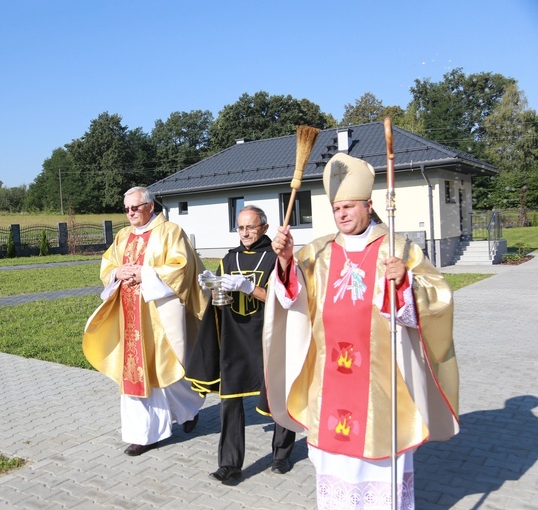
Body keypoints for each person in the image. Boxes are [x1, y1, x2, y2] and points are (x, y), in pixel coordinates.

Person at [264, 152, 459, 509]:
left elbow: (438, 297)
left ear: (368, 206)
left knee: (380, 460)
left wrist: (405, 283)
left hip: (382, 380)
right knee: (334, 463)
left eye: (350, 207)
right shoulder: (318, 250)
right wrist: (286, 261)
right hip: (328, 378)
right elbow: (293, 301)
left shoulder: (397, 247)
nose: (343, 215)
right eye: (337, 209)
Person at [83, 186, 208, 456]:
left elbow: (182, 267)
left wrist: (145, 274)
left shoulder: (170, 232)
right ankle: (144, 434)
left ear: (150, 206)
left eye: (135, 208)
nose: (130, 213)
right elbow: (108, 264)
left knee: (167, 370)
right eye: (126, 209)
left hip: (158, 314)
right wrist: (118, 271)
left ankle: (189, 408)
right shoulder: (122, 235)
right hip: (128, 316)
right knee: (134, 375)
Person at [187, 205, 296, 482]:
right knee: (230, 400)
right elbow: (220, 299)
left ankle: (281, 454)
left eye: (251, 227)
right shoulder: (229, 258)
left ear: (265, 228)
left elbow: (284, 299)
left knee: (277, 395)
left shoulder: (277, 258)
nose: (245, 233)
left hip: (267, 337)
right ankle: (229, 462)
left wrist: (249, 288)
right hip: (234, 338)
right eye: (241, 227)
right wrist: (213, 286)